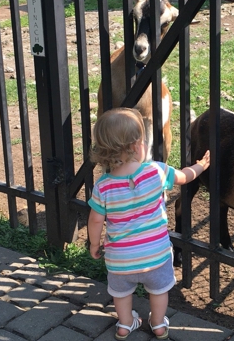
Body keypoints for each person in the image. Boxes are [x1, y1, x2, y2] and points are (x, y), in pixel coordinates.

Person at [88, 107, 210, 340]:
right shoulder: (156, 171)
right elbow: (184, 177)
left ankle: (125, 324)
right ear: (136, 145)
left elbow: (95, 219)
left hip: (120, 259)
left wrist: (94, 244)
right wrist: (201, 166)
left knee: (121, 294)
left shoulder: (103, 186)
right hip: (156, 255)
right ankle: (158, 325)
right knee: (158, 291)